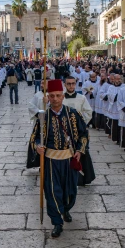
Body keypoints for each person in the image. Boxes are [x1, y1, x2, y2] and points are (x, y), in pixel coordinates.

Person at [31, 79, 89, 238]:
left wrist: (80, 150)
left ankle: (66, 209)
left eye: (58, 95)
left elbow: (84, 134)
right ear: (47, 97)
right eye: (51, 96)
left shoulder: (73, 113)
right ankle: (57, 222)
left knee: (70, 191)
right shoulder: (43, 117)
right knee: (52, 191)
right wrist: (37, 146)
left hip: (69, 160)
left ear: (63, 96)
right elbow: (34, 138)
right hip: (50, 162)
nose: (55, 99)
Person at [62, 76, 96, 186]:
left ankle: (82, 178)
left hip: (79, 131)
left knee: (81, 152)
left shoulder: (81, 98)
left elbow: (88, 112)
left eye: (73, 83)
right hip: (65, 131)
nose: (71, 86)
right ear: (65, 84)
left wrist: (80, 123)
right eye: (69, 84)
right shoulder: (61, 97)